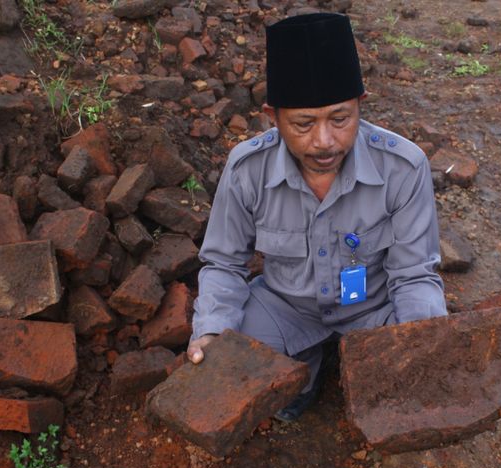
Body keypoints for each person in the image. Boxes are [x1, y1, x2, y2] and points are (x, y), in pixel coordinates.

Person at [187, 12, 447, 421]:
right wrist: (212, 330)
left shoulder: (403, 166)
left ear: (360, 106)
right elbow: (223, 262)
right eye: (304, 124)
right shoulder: (246, 169)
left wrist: (419, 342)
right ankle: (302, 380)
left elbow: (415, 274)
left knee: (405, 380)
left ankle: (354, 370)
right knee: (241, 366)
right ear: (273, 117)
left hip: (372, 309)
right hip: (285, 308)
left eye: (340, 119)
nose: (324, 142)